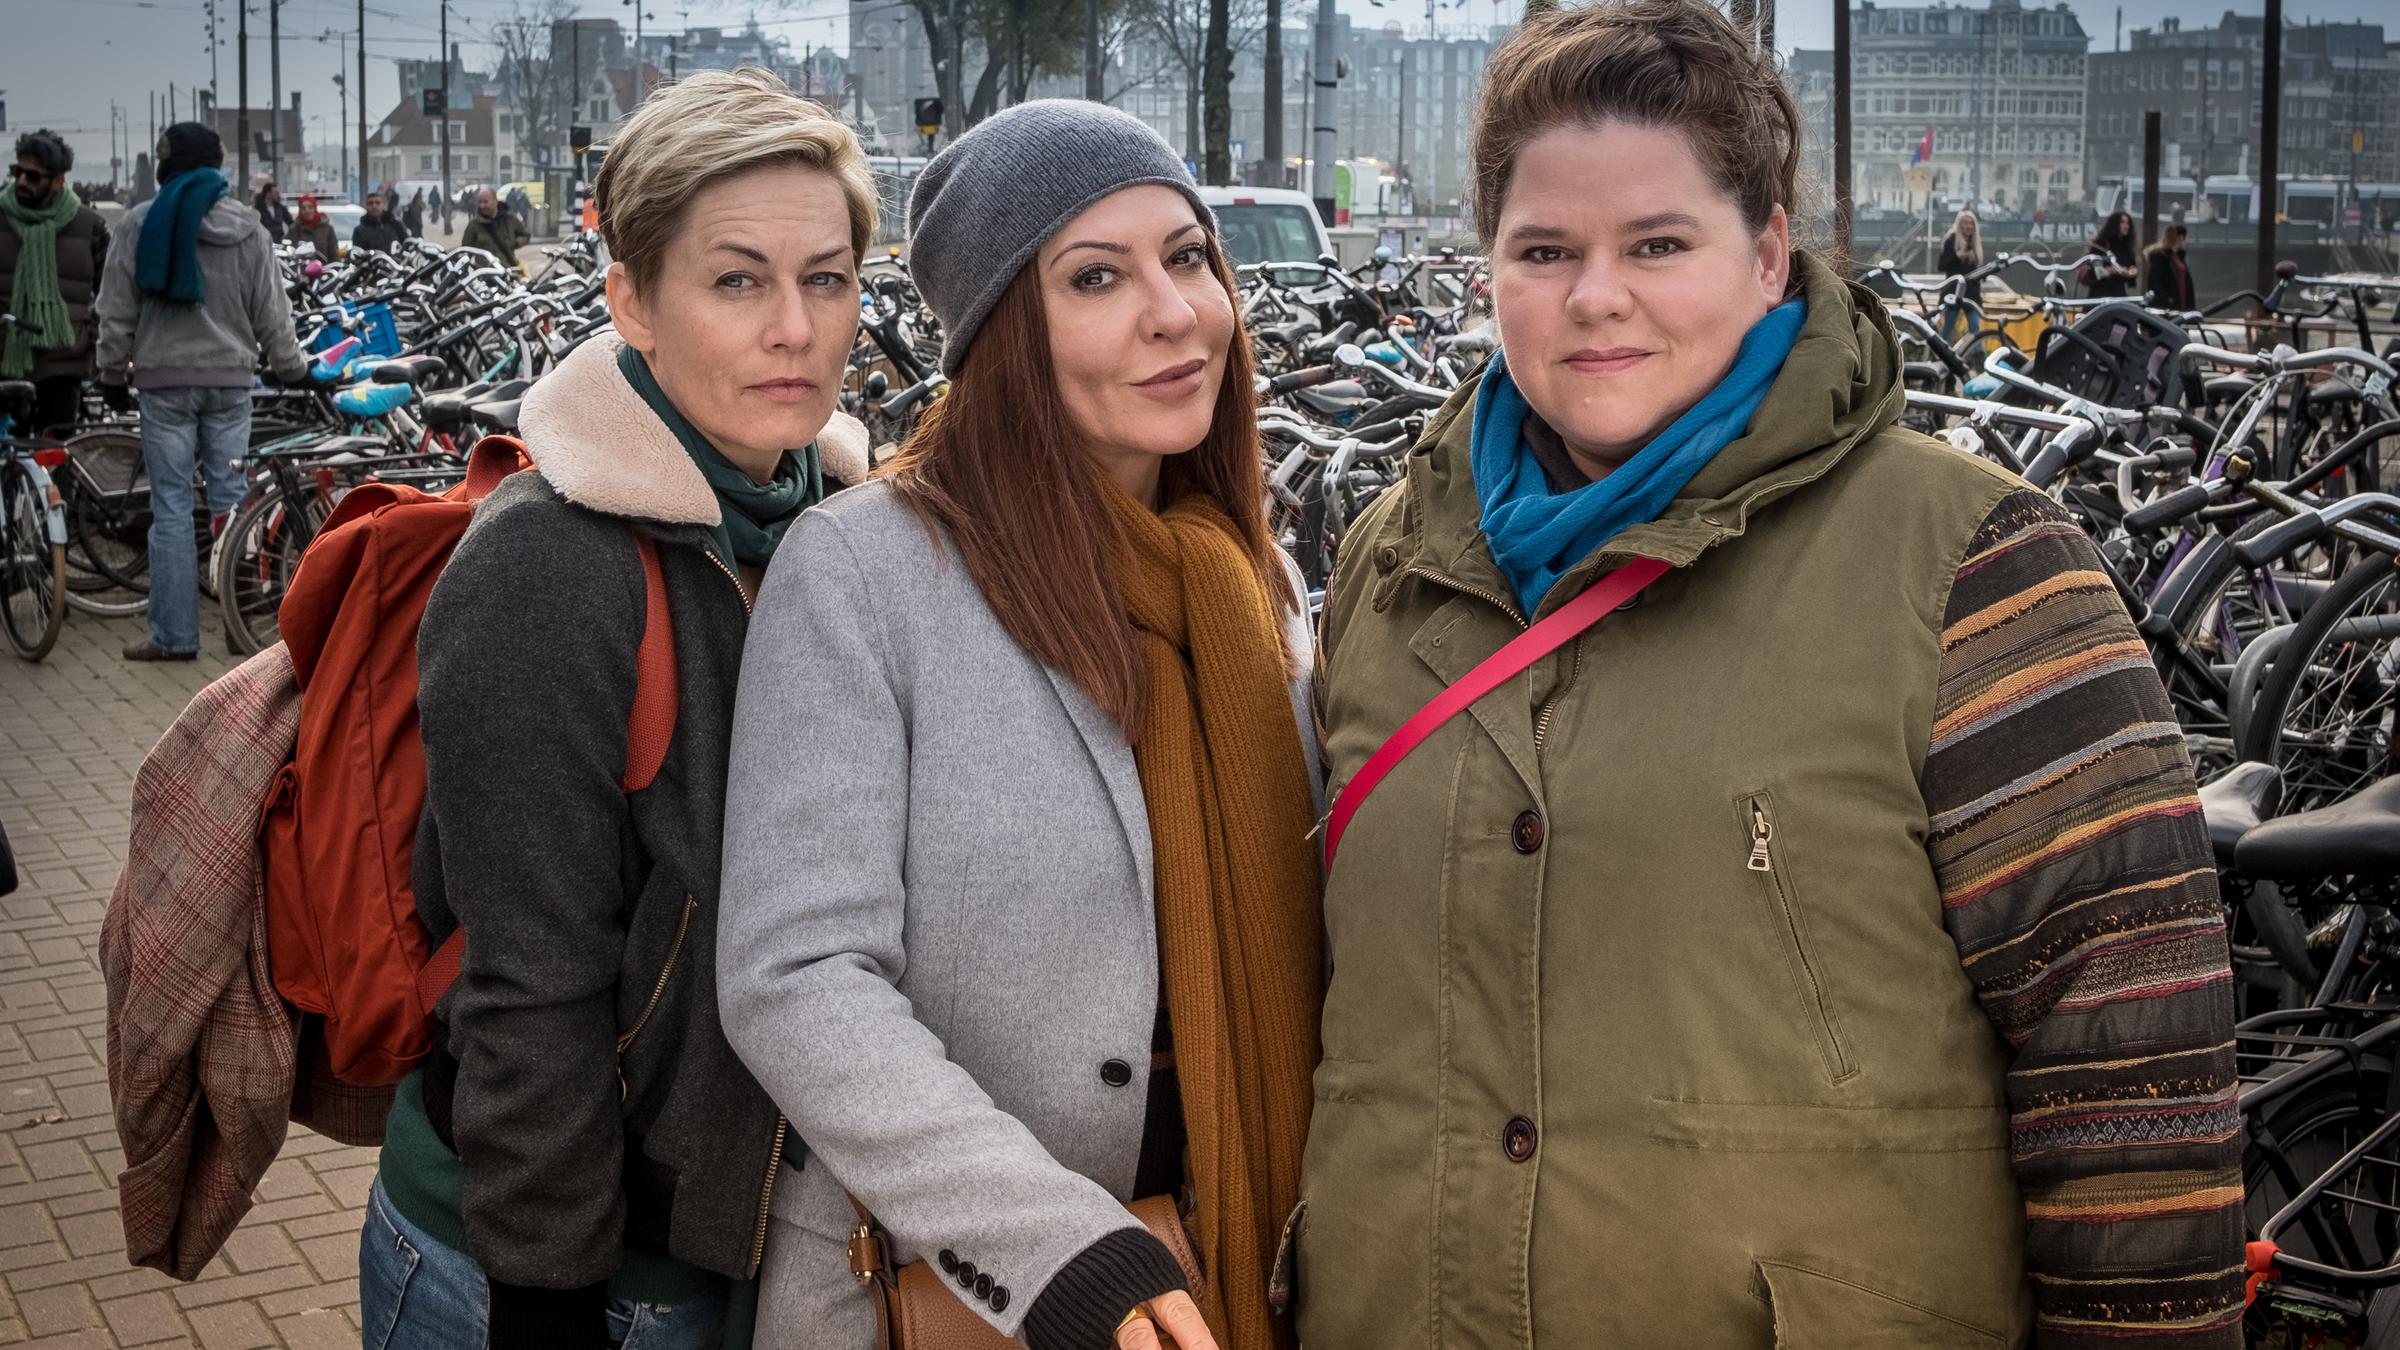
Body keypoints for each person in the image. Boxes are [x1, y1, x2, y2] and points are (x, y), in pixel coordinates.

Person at [1296, 2, 2244, 1347]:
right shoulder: (1393, 564)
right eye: (1544, 249)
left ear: (1769, 254)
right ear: (1486, 269)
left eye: (1659, 244)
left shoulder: (1975, 566)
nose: (1596, 294)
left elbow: (2132, 1080)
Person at [719, 100, 1320, 1350]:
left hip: (1239, 1259)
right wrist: (1050, 1241)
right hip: (960, 1289)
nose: (1172, 311)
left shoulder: (1251, 582)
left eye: (1189, 256)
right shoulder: (867, 574)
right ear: (1002, 335)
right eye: (1095, 276)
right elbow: (797, 976)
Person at [356, 68, 878, 1350]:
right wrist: (546, 1295)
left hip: (736, 1252)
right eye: (738, 279)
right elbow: (529, 975)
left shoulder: (831, 524)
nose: (795, 330)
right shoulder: (548, 566)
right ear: (631, 300)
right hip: (543, 1272)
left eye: (829, 279)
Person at [92, 122, 311, 663]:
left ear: (166, 166)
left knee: (169, 508)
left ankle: (174, 637)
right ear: (216, 168)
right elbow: (272, 314)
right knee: (232, 507)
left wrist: (111, 373)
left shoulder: (140, 224)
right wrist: (292, 368)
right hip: (230, 382)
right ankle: (241, 631)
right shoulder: (248, 227)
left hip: (163, 383)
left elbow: (116, 310)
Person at [0, 128, 110, 435]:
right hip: (4, 361)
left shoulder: (90, 226)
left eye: (33, 177)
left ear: (59, 181)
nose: (21, 181)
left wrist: (90, 337)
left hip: (63, 364)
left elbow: (111, 295)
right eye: (17, 172)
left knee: (55, 457)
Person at [460, 186, 527, 270]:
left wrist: (515, 242)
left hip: (507, 270)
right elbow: (466, 251)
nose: (482, 206)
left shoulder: (510, 219)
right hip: (485, 274)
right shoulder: (474, 225)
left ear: (495, 201)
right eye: (480, 202)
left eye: (485, 202)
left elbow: (525, 235)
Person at [2080, 210, 2139, 299]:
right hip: (2101, 293)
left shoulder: (2127, 247)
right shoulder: (2101, 244)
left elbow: (2130, 269)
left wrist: (2133, 272)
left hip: (2119, 293)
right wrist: (2114, 270)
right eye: (2122, 223)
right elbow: (2096, 272)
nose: (2126, 226)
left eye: (2128, 223)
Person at [2146, 221, 2198, 312]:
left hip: (2180, 302)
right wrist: (2167, 299)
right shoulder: (2161, 256)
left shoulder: (2178, 256)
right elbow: (2154, 281)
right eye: (2185, 238)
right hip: (2169, 305)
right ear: (2180, 238)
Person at [289, 193, 338, 260]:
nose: (307, 210)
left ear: (315, 208)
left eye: (310, 207)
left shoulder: (327, 229)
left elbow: (334, 254)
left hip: (324, 268)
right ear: (300, 210)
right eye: (303, 208)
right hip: (301, 269)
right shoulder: (294, 229)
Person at [253, 179, 291, 243]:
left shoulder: (280, 208)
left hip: (279, 243)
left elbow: (290, 222)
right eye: (275, 192)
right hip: (264, 243)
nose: (278, 195)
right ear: (268, 193)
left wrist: (287, 236)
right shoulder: (258, 210)